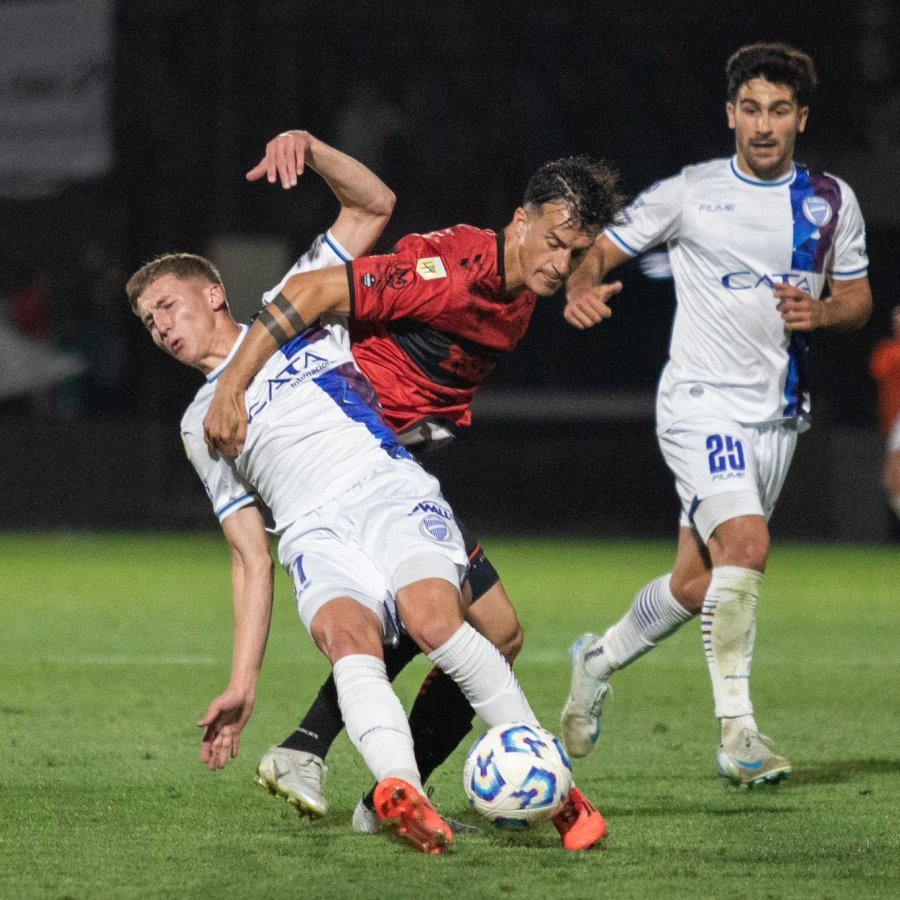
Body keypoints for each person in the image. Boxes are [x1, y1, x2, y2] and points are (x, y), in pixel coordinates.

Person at [202, 141, 623, 848]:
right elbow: (310, 293)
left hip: (397, 466)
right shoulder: (448, 271)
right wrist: (234, 385)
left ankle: (364, 779)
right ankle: (346, 763)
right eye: (553, 243)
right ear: (519, 220)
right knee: (455, 623)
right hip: (360, 472)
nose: (560, 262)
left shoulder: (525, 289)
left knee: (486, 630)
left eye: (575, 252)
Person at [127, 243, 583, 855]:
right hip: (310, 534)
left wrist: (309, 147)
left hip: (383, 489)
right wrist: (243, 682)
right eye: (148, 322)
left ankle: (558, 790)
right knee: (348, 643)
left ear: (213, 294)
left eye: (166, 306)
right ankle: (400, 791)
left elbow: (371, 208)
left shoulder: (295, 314)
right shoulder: (197, 424)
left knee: (434, 621)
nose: (159, 328)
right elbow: (249, 557)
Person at [560, 42, 872, 786]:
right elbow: (598, 252)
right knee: (749, 544)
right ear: (731, 114)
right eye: (751, 109)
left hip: (777, 417)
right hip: (700, 404)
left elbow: (858, 299)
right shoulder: (689, 193)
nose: (764, 125)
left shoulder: (832, 201)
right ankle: (739, 735)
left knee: (699, 584)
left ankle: (596, 659)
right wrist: (579, 286)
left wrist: (823, 313)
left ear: (801, 118)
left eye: (780, 110)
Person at [869, 305, 900, 527]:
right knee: (892, 482)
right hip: (893, 421)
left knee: (893, 479)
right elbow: (880, 367)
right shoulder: (887, 350)